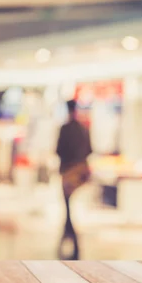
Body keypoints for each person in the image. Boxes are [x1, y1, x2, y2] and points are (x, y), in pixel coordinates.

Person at [56, 99, 92, 260]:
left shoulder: (65, 129)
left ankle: (70, 236)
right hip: (80, 172)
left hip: (68, 171)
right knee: (72, 207)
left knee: (69, 206)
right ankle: (71, 237)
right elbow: (90, 150)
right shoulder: (84, 129)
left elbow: (58, 150)